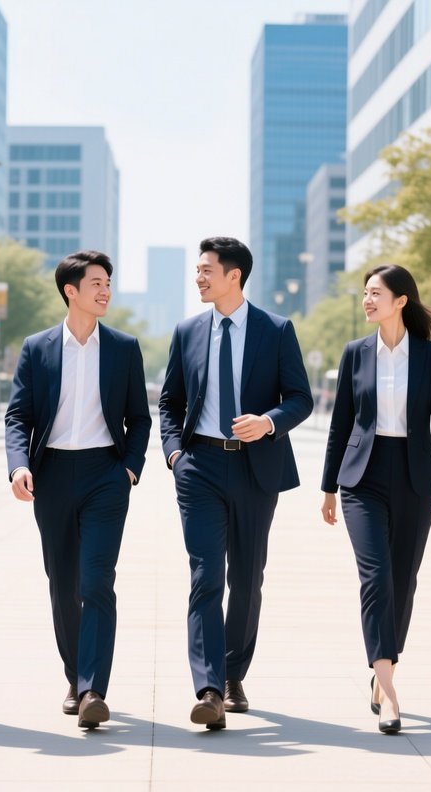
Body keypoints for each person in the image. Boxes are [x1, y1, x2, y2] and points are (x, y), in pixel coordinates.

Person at [159, 236, 313, 730]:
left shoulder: (275, 329)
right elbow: (170, 403)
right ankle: (207, 688)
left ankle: (232, 673)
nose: (199, 277)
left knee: (247, 577)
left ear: (234, 276)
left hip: (255, 468)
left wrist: (269, 422)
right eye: (197, 270)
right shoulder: (187, 331)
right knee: (205, 576)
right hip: (199, 466)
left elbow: (301, 398)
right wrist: (175, 454)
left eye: (207, 270)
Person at [5, 250, 151, 729]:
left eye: (108, 282)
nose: (105, 290)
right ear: (71, 291)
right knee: (63, 583)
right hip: (52, 477)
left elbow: (139, 417)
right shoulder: (38, 347)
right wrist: (18, 466)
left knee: (96, 581)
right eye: (96, 283)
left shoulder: (124, 348)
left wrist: (129, 468)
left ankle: (92, 689)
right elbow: (18, 416)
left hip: (105, 476)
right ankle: (75, 674)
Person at [320, 264, 431, 735]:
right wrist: (328, 488)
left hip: (417, 476)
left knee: (403, 580)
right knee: (376, 577)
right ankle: (388, 689)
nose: (367, 300)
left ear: (401, 300)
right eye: (365, 294)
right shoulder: (355, 354)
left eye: (376, 293)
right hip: (363, 477)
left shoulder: (430, 356)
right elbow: (340, 424)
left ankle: (384, 670)